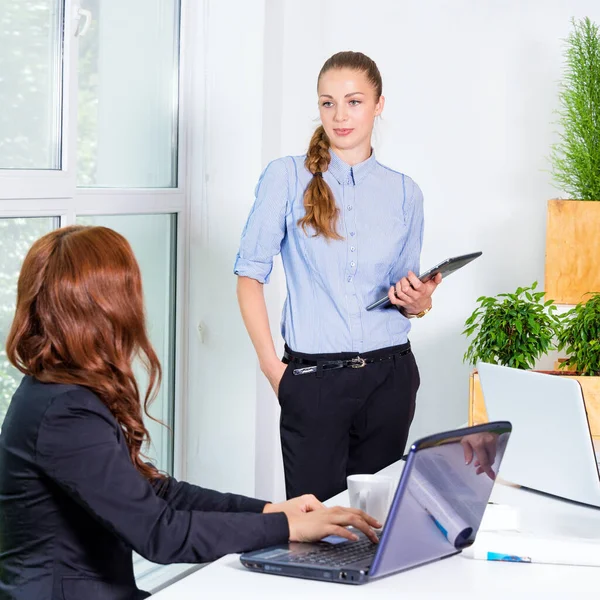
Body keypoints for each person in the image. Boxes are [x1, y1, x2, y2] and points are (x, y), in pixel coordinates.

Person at [0, 226, 379, 600]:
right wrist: (286, 527)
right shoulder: (64, 412)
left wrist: (271, 510)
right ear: (107, 307)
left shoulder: (61, 391)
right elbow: (159, 534)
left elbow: (156, 491)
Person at [235, 51, 441, 502]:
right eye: (328, 103)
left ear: (378, 105)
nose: (340, 115)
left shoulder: (405, 192)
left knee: (377, 523)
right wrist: (275, 370)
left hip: (391, 376)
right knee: (314, 528)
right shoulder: (287, 178)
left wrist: (419, 299)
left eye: (354, 101)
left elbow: (406, 293)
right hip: (314, 381)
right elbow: (249, 275)